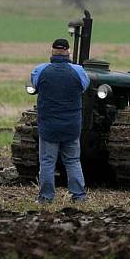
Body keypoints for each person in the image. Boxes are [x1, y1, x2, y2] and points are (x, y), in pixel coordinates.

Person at [30, 38, 90, 203]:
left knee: (47, 162)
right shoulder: (78, 71)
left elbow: (35, 85)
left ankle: (46, 197)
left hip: (48, 125)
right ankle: (78, 195)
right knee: (72, 161)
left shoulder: (40, 70)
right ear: (68, 52)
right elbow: (84, 87)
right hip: (71, 125)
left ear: (52, 51)